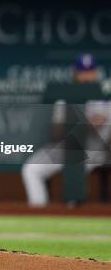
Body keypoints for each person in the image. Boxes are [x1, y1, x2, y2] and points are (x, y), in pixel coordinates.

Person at [21, 54, 111, 207]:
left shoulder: (105, 97)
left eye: (90, 71)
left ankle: (73, 210)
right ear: (75, 73)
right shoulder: (66, 95)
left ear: (96, 73)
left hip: (94, 152)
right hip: (67, 148)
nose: (86, 75)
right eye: (83, 71)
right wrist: (86, 124)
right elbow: (57, 133)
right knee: (31, 170)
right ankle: (38, 213)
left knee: (74, 182)